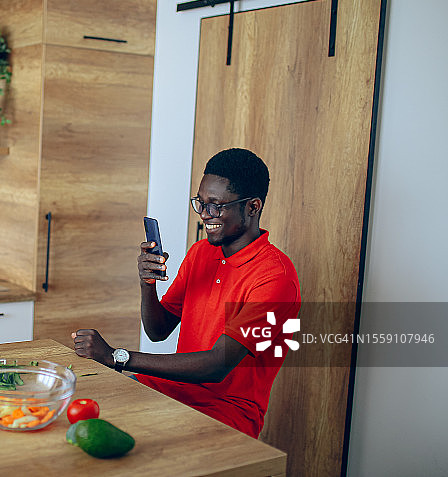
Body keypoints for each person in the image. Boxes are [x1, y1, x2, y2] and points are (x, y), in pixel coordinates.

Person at [72, 148, 300, 438]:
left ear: (253, 207)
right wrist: (148, 284)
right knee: (81, 416)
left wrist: (117, 357)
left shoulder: (275, 277)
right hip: (169, 392)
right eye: (201, 203)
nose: (205, 215)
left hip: (225, 414)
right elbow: (158, 330)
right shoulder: (201, 253)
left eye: (216, 206)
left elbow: (217, 366)